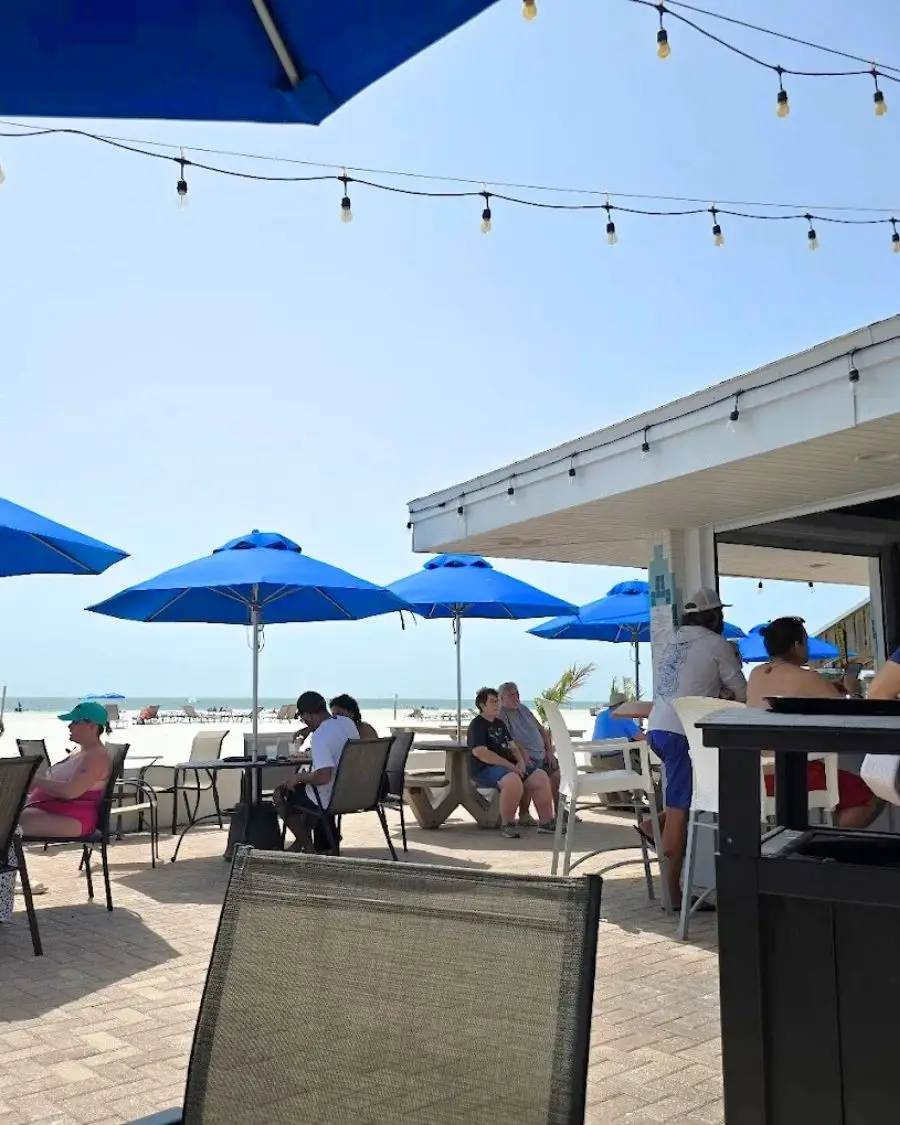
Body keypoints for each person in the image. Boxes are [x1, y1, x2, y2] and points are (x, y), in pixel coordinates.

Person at [645, 588, 748, 910]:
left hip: (658, 728)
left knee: (685, 797)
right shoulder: (716, 643)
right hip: (681, 734)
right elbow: (744, 692)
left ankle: (651, 826)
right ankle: (672, 897)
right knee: (681, 810)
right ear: (714, 615)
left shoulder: (673, 640)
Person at [747, 616, 880, 829]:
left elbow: (790, 694)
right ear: (797, 644)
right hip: (796, 774)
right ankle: (837, 847)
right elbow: (853, 716)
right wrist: (853, 691)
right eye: (805, 641)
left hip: (758, 775)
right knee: (872, 793)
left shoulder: (757, 673)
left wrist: (828, 688)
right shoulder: (807, 677)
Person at [274, 691, 358, 853]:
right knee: (307, 792)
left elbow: (323, 777)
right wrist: (310, 730)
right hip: (353, 793)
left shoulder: (320, 736)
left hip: (330, 797)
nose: (303, 722)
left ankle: (307, 846)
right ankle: (306, 843)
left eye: (303, 718)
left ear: (308, 714)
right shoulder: (346, 723)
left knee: (280, 794)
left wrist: (299, 777)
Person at [467, 686, 555, 839]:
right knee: (513, 780)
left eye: (498, 701)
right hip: (485, 770)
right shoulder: (477, 725)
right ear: (482, 705)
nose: (497, 705)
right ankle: (508, 824)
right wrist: (510, 766)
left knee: (540, 776)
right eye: (493, 701)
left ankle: (546, 822)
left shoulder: (499, 724)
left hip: (510, 767)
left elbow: (513, 746)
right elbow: (481, 753)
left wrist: (521, 762)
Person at [19, 702, 113, 838]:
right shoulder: (80, 751)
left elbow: (70, 791)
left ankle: (11, 859)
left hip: (72, 818)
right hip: (53, 812)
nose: (69, 726)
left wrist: (34, 779)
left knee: (6, 829)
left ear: (92, 726)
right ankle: (11, 859)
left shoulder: (96, 756)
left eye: (75, 722)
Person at [498, 681, 563, 825]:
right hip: (525, 758)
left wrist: (549, 751)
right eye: (511, 695)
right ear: (501, 698)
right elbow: (509, 739)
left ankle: (562, 813)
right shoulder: (501, 714)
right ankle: (525, 814)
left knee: (559, 773)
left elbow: (542, 730)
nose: (516, 698)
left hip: (543, 754)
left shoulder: (523, 709)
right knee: (531, 776)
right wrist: (523, 754)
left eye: (517, 694)